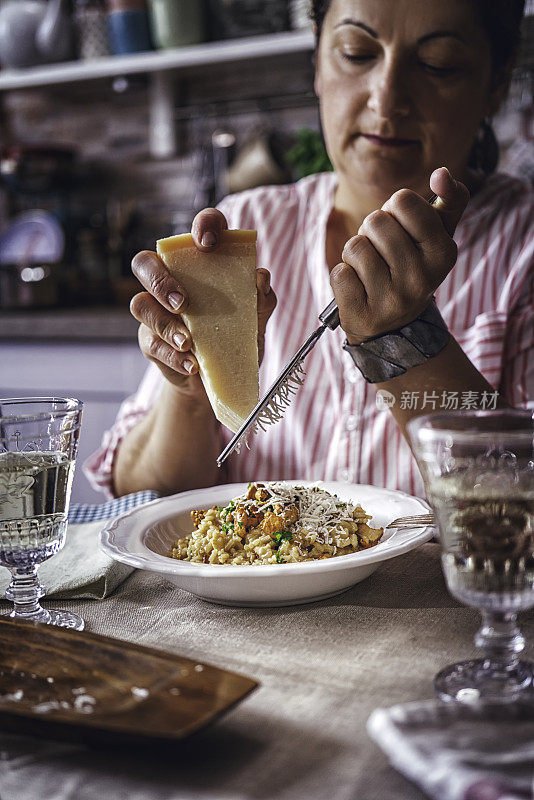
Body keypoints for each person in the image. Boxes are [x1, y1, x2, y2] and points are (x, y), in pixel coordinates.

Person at [85, 0, 533, 501]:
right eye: (356, 53)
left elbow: (519, 524)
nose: (386, 101)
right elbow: (137, 492)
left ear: (497, 83)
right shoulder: (245, 229)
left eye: (438, 65)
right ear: (317, 61)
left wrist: (406, 342)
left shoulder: (524, 246)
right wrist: (194, 390)